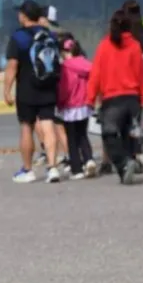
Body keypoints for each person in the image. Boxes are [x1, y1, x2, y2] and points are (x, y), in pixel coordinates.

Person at [86, 10, 143, 185]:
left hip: (112, 99)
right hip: (132, 97)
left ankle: (123, 163)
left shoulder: (104, 45)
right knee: (129, 134)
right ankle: (129, 162)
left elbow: (96, 74)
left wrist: (90, 98)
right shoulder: (135, 45)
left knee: (110, 135)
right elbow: (141, 73)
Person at [4, 0, 62, 183]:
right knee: (48, 125)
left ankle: (28, 170)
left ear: (24, 16)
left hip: (26, 89)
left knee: (26, 127)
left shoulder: (18, 37)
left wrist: (6, 90)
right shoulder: (49, 35)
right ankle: (52, 167)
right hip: (48, 86)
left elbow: (12, 66)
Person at [56, 33, 96, 179]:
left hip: (70, 106)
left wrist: (60, 103)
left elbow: (64, 89)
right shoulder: (86, 64)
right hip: (84, 105)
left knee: (72, 139)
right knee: (83, 135)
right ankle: (89, 159)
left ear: (63, 52)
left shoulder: (65, 67)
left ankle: (77, 169)